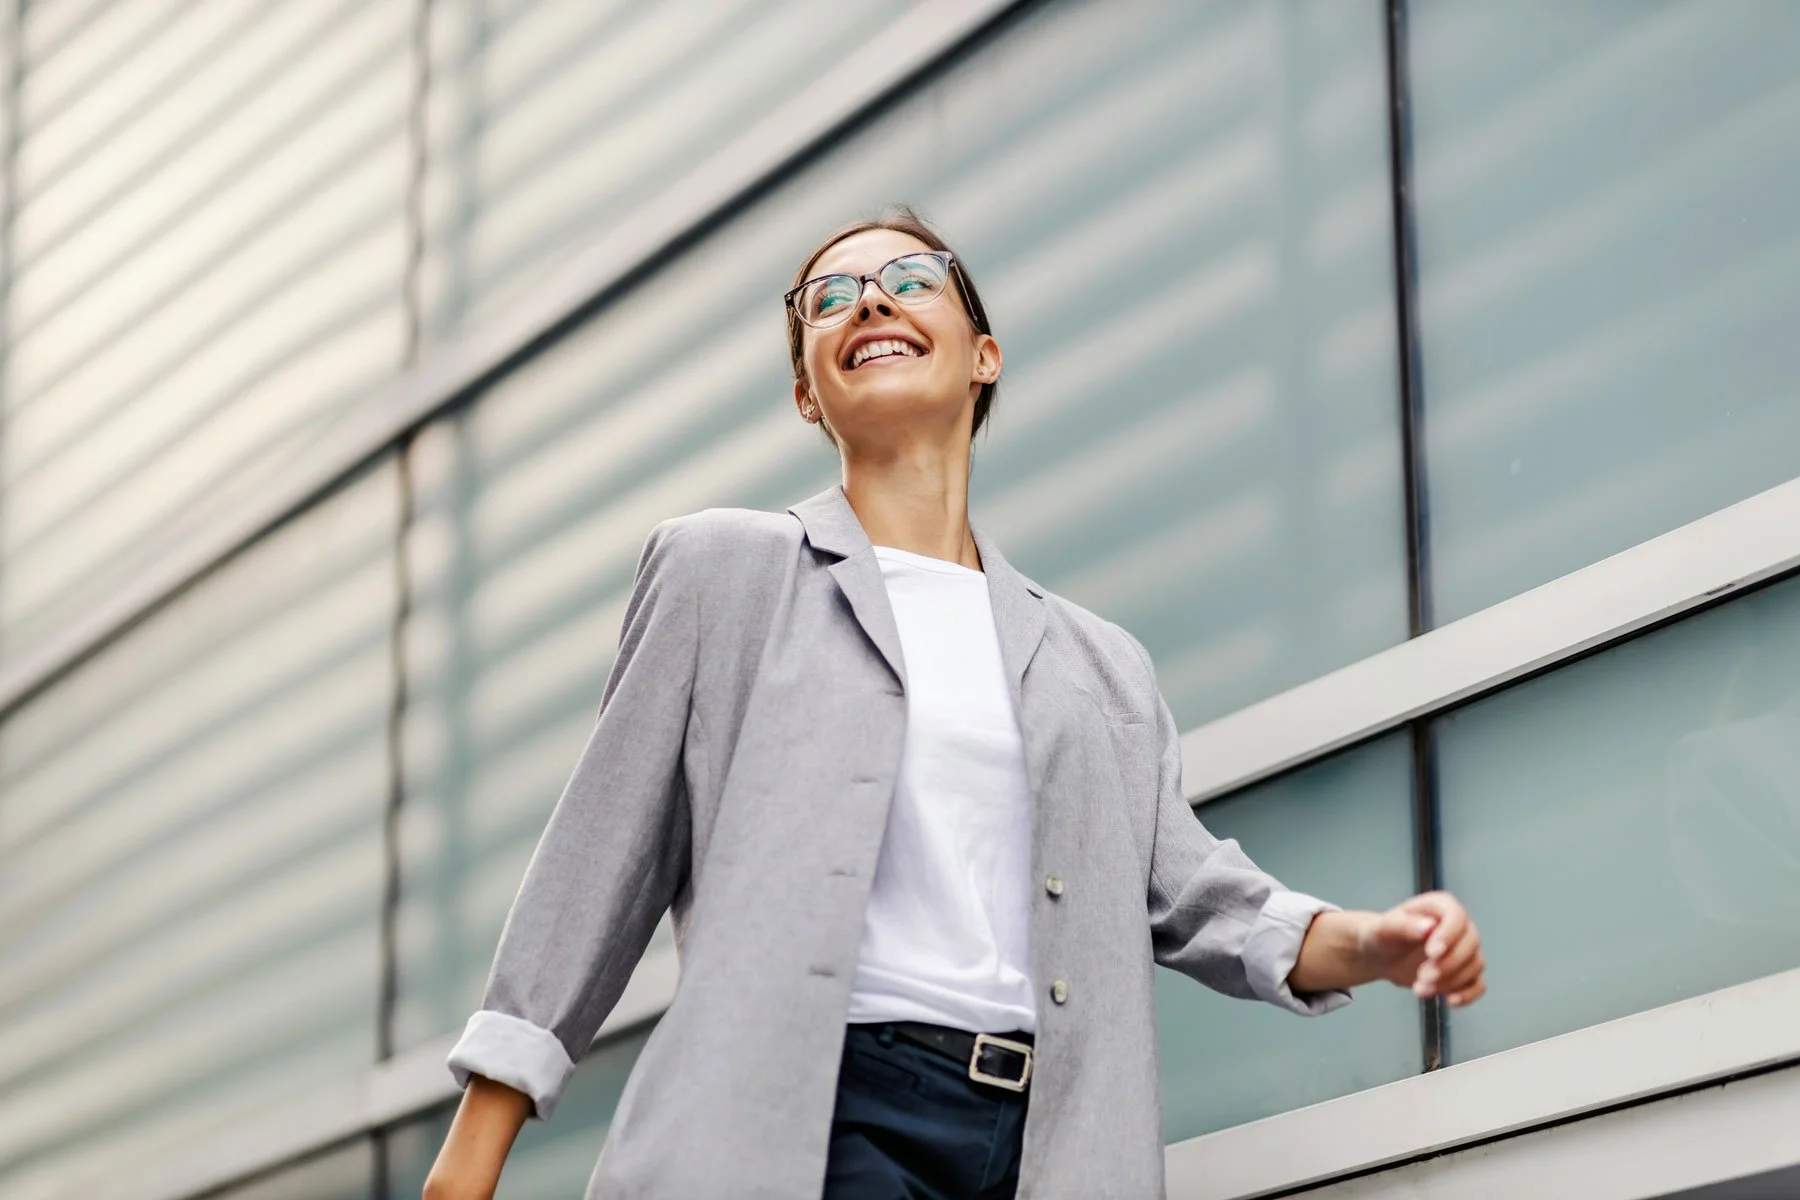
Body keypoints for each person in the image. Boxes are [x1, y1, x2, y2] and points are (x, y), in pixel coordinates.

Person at [423, 206, 1486, 1200]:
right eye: (829, 299)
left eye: (908, 278)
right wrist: (470, 1156)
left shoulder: (1098, 664)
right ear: (807, 389)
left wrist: (1373, 944)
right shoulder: (727, 573)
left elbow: (1199, 897)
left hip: (1047, 1146)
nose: (870, 303)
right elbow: (599, 856)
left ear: (984, 355)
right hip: (817, 1117)